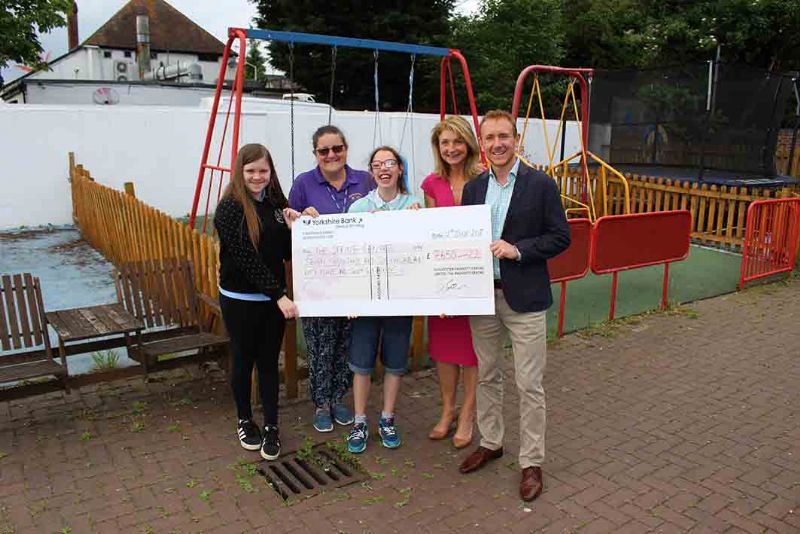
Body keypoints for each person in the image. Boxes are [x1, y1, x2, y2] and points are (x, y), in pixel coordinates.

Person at [458, 110, 570, 502]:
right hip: (482, 295)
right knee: (488, 374)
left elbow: (561, 237)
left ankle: (532, 462)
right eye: (490, 138)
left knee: (529, 383)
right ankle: (492, 442)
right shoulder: (473, 189)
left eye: (504, 136)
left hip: (524, 298)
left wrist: (518, 250)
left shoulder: (541, 185)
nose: (497, 144)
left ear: (516, 139)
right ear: (482, 143)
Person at [214, 143, 301, 461]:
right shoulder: (229, 208)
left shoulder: (277, 203)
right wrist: (280, 295)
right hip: (240, 300)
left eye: (263, 170)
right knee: (243, 360)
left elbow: (287, 254)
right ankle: (244, 419)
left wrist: (297, 229)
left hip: (271, 303)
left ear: (271, 171)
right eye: (250, 171)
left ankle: (272, 426)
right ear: (240, 172)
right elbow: (247, 260)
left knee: (268, 363)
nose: (257, 177)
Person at [288, 125, 373, 433]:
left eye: (337, 148)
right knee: (320, 344)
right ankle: (321, 403)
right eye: (324, 151)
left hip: (356, 279)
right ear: (316, 154)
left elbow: (384, 210)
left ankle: (338, 398)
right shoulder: (303, 184)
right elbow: (290, 227)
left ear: (345, 149)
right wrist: (299, 220)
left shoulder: (364, 179)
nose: (331, 155)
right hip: (320, 283)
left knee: (346, 343)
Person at [345, 146, 422, 454]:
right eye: (377, 164)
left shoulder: (414, 205)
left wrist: (418, 224)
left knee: (395, 362)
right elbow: (348, 257)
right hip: (366, 302)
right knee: (361, 364)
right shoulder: (359, 208)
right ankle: (360, 420)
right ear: (371, 172)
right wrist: (349, 299)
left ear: (400, 169)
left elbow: (420, 255)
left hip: (400, 301)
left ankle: (387, 418)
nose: (383, 168)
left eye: (390, 163)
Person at [421, 116, 483, 448]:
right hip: (443, 279)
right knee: (445, 351)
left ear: (468, 144)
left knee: (472, 352)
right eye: (445, 143)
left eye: (457, 141)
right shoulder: (431, 183)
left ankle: (469, 414)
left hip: (475, 278)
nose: (451, 149)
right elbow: (431, 232)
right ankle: (448, 411)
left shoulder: (485, 179)